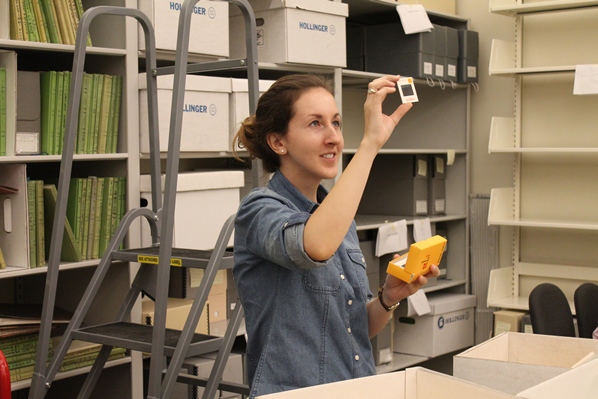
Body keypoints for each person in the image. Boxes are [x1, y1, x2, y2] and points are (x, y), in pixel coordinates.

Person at [232, 74, 439, 398]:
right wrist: (370, 144)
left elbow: (353, 330)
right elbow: (314, 245)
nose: (334, 138)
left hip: (355, 387)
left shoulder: (339, 219)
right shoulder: (259, 211)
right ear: (278, 142)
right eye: (316, 124)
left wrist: (389, 298)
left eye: (337, 123)